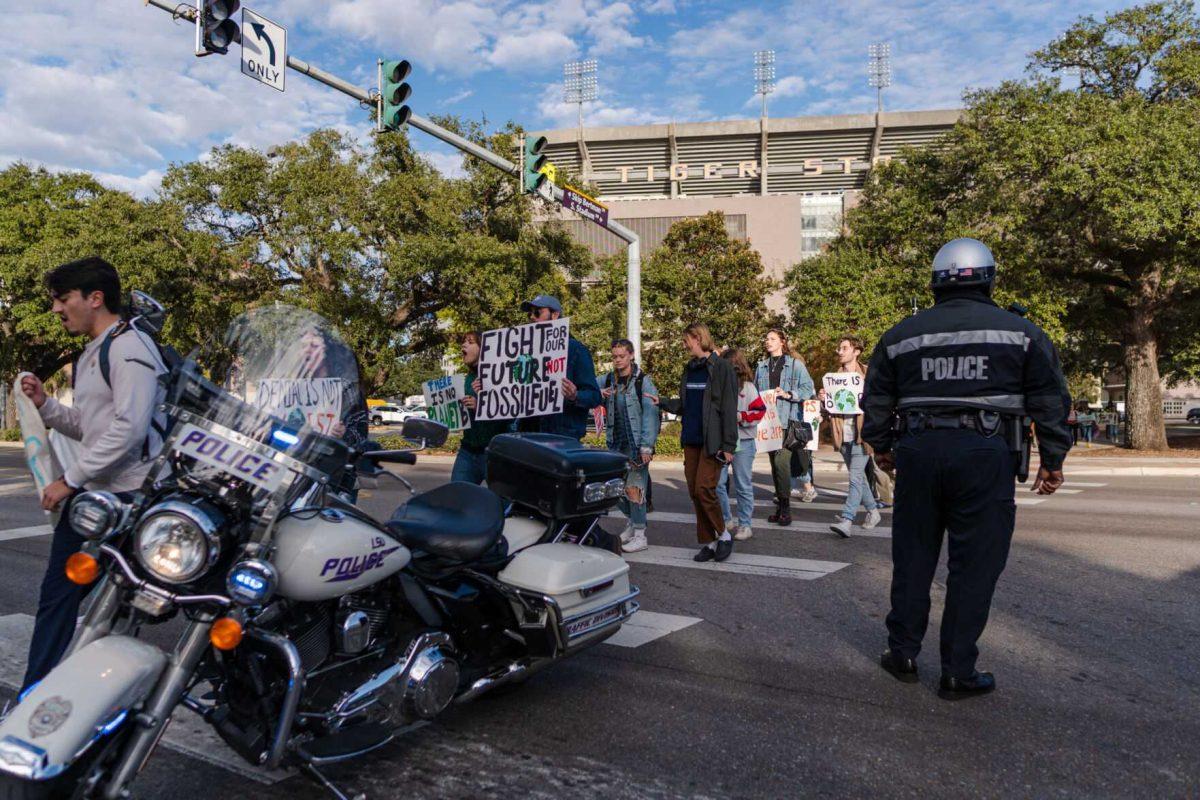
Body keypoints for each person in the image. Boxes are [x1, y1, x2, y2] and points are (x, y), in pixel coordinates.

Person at [862, 237, 1071, 700]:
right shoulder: (1021, 333)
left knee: (913, 558)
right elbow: (1050, 400)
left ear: (935, 283)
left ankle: (903, 654)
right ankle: (957, 670)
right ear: (988, 279)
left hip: (918, 450)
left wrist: (881, 446)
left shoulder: (902, 335)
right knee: (973, 565)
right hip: (985, 453)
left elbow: (876, 398)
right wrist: (1053, 460)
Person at [18, 256, 167, 690]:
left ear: (95, 298)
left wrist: (70, 480)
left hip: (127, 498)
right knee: (60, 601)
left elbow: (130, 427)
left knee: (123, 607)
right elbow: (91, 427)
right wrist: (46, 406)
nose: (56, 309)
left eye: (63, 299)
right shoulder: (94, 352)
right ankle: (34, 695)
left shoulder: (129, 347)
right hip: (97, 498)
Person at [660, 323, 739, 562]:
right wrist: (661, 402)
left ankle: (724, 535)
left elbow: (728, 407)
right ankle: (711, 541)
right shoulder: (690, 369)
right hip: (690, 439)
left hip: (712, 441)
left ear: (697, 338)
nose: (684, 345)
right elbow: (685, 405)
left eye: (686, 341)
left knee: (705, 489)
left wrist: (728, 445)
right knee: (695, 492)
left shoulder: (722, 367)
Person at [597, 339, 661, 553]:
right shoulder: (608, 379)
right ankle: (633, 523)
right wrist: (598, 394)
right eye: (614, 356)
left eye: (621, 356)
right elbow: (587, 388)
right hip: (615, 444)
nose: (617, 360)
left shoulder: (644, 381)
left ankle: (640, 534)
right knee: (615, 489)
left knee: (635, 489)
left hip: (635, 445)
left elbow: (650, 416)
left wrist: (646, 447)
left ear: (631, 355)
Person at [819, 335, 882, 537]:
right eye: (839, 348)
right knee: (860, 479)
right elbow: (830, 408)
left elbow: (879, 401)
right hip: (842, 435)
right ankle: (873, 511)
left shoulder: (868, 374)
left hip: (862, 436)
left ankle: (847, 519)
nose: (839, 351)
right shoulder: (833, 377)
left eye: (844, 348)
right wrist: (823, 399)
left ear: (856, 351)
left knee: (854, 478)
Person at [515, 294, 601, 441]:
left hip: (560, 439)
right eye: (530, 314)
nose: (532, 317)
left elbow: (595, 396)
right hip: (528, 437)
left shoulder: (575, 350)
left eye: (537, 312)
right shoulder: (526, 352)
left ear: (555, 315)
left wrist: (575, 396)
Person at [754, 329, 815, 526]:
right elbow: (756, 393)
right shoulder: (761, 367)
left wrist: (789, 393)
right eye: (766, 339)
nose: (768, 342)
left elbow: (808, 388)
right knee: (774, 465)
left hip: (787, 422)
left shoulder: (795, 365)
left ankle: (785, 508)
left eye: (772, 339)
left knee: (781, 464)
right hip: (768, 422)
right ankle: (780, 507)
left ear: (782, 342)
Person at [715, 348, 765, 541]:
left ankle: (745, 525)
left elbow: (759, 411)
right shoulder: (719, 386)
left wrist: (741, 417)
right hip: (722, 442)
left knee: (743, 485)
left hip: (743, 442)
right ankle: (727, 519)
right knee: (718, 483)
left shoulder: (748, 388)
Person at [455, 331, 515, 484]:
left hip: (495, 453)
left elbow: (510, 414)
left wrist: (481, 406)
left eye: (470, 342)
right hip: (467, 452)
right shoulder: (467, 379)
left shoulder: (502, 376)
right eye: (463, 341)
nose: (463, 345)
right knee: (455, 499)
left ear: (484, 348)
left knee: (503, 504)